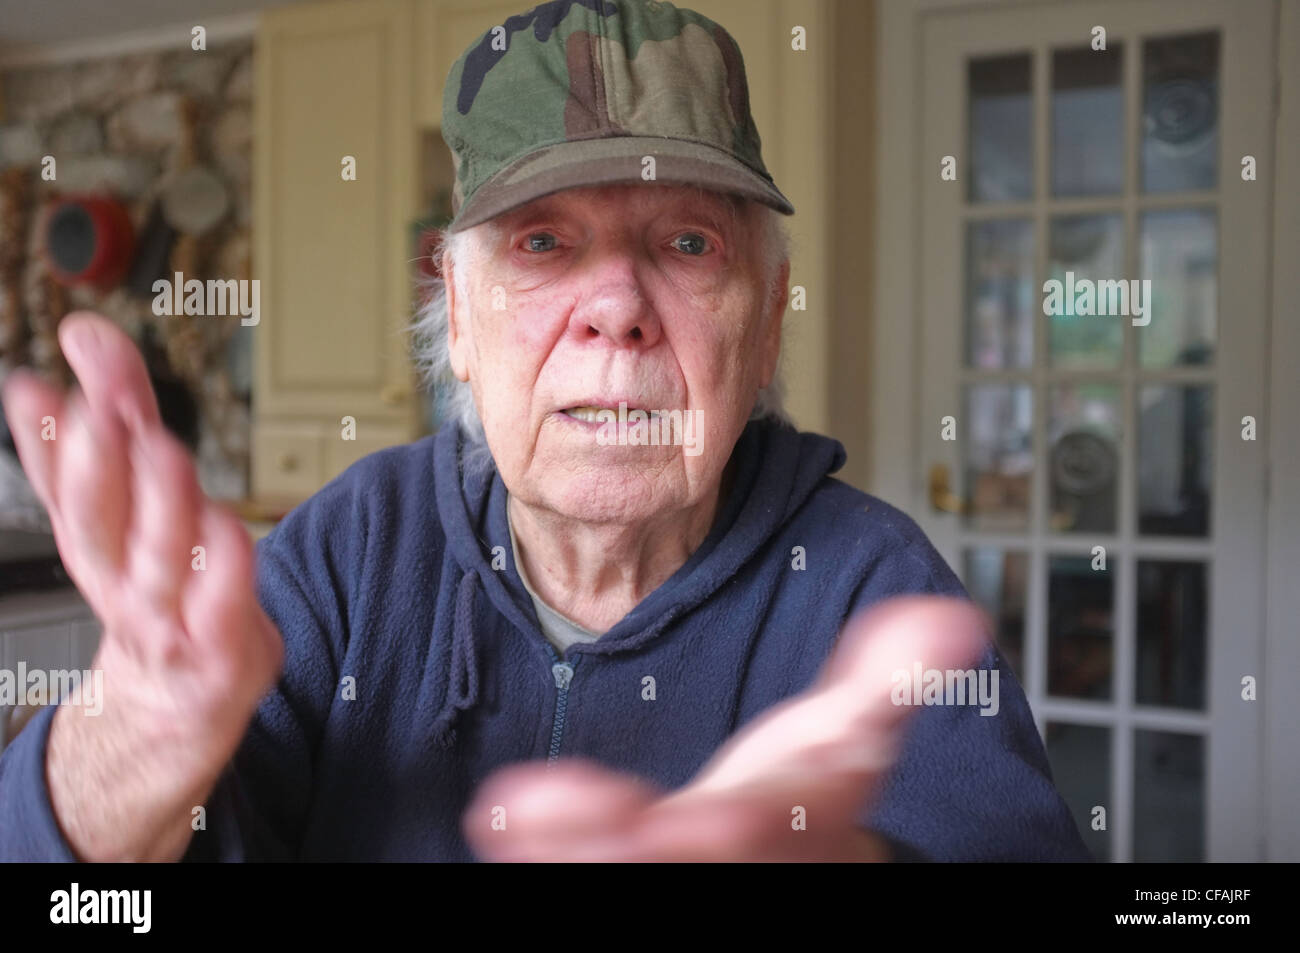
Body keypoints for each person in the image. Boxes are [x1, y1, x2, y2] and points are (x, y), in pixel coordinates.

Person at [0, 0, 1087, 862]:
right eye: (542, 244)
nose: (615, 302)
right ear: (459, 322)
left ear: (764, 326)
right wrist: (125, 745)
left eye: (689, 243)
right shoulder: (348, 551)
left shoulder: (871, 588)